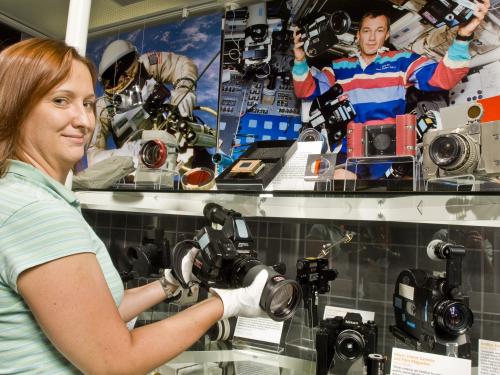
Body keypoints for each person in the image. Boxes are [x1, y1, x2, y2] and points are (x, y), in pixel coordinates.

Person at [0, 38, 268, 374]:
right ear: (16, 106)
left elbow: (92, 315)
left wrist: (167, 284)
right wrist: (226, 303)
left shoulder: (18, 193)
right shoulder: (37, 212)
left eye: (85, 103)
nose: (83, 120)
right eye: (60, 101)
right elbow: (117, 361)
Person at [292, 1, 490, 179]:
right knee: (341, 186)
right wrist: (300, 60)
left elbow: (442, 78)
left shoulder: (402, 61)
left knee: (386, 200)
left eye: (379, 31)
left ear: (386, 35)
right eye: (367, 31)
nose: (371, 38)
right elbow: (307, 91)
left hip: (389, 148)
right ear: (358, 34)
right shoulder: (338, 67)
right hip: (350, 147)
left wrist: (463, 37)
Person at [86, 39, 199, 167]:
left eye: (124, 68)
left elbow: (181, 64)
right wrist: (124, 154)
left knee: (199, 166)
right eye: (114, 77)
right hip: (137, 162)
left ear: (134, 60)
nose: (122, 78)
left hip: (175, 138)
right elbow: (93, 157)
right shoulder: (103, 107)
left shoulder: (146, 65)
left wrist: (184, 89)